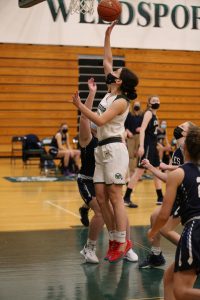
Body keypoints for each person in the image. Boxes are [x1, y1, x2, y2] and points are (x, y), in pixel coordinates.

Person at [72, 21, 139, 263]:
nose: (114, 71)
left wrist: (80, 107)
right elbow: (107, 59)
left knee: (114, 196)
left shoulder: (121, 101)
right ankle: (115, 239)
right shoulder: (110, 91)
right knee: (100, 197)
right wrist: (107, 35)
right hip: (102, 150)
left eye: (118, 73)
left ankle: (121, 241)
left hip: (114, 148)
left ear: (120, 81)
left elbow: (99, 121)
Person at [148, 125, 200, 300]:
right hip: (193, 231)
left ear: (184, 148)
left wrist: (153, 231)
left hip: (195, 230)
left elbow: (163, 214)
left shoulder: (178, 173)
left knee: (181, 291)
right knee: (169, 278)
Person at [138, 121, 194, 268]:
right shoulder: (177, 152)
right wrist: (151, 167)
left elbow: (190, 169)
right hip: (182, 196)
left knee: (163, 227)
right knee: (155, 217)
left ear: (189, 133)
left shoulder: (195, 152)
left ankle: (194, 252)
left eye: (182, 127)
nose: (178, 128)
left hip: (192, 198)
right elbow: (170, 178)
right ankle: (156, 255)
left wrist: (167, 166)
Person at [78, 78, 104, 263]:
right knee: (101, 212)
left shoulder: (105, 139)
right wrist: (92, 93)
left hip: (100, 180)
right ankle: (88, 249)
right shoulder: (87, 138)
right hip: (86, 180)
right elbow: (84, 117)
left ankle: (121, 244)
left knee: (110, 210)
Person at [123, 95, 164, 207]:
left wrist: (158, 144)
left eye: (157, 100)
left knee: (156, 171)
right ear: (149, 103)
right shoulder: (148, 113)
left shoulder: (155, 115)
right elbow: (142, 130)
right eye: (153, 100)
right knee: (139, 172)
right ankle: (126, 197)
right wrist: (141, 146)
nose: (156, 102)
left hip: (153, 146)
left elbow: (153, 133)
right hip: (147, 146)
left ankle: (160, 197)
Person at [125, 101, 143, 178]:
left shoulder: (141, 115)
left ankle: (137, 173)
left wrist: (141, 128)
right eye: (135, 105)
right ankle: (131, 173)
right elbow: (125, 126)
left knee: (137, 154)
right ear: (133, 106)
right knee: (131, 155)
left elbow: (144, 126)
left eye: (138, 105)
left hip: (139, 136)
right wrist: (128, 132)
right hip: (131, 137)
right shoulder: (129, 115)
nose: (137, 106)